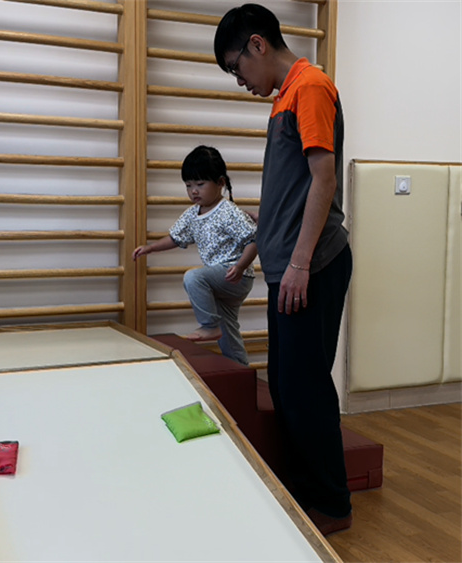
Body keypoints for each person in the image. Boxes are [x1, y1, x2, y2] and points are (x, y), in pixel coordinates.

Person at [214, 4, 353, 535]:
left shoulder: (310, 86)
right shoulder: (284, 98)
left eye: (237, 67)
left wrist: (298, 263)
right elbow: (292, 190)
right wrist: (263, 234)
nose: (239, 80)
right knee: (288, 386)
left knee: (305, 387)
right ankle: (304, 494)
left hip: (311, 267)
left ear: (257, 44)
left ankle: (332, 506)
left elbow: (324, 179)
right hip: (290, 268)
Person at [133, 145, 258, 366]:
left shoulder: (228, 211)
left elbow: (254, 240)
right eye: (189, 186)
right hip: (220, 280)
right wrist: (151, 248)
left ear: (220, 183)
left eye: (200, 184)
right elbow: (175, 237)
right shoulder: (192, 214)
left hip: (235, 275)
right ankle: (241, 370)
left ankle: (209, 326)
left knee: (193, 277)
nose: (194, 191)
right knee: (228, 331)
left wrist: (240, 267)